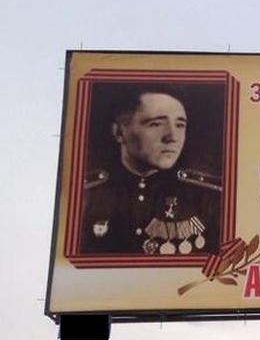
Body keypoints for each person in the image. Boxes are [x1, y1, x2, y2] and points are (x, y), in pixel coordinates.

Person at [80, 87, 222, 255]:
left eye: (180, 125)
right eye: (155, 124)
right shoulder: (87, 195)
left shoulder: (205, 196)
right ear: (119, 132)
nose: (172, 137)